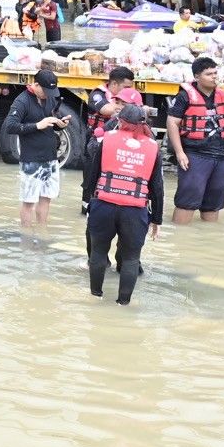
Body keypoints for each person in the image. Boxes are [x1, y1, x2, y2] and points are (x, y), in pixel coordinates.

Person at [82, 103, 165, 305]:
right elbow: (157, 187)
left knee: (98, 253)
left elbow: (93, 175)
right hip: (135, 211)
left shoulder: (107, 139)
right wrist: (157, 220)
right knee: (131, 259)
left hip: (104, 205)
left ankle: (95, 297)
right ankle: (123, 304)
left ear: (120, 121)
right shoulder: (153, 148)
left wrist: (88, 203)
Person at [167, 56, 224, 224]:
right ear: (197, 77)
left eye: (215, 73)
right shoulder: (184, 96)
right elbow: (172, 123)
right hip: (196, 154)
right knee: (187, 201)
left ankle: (208, 234)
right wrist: (179, 152)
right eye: (209, 74)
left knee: (213, 205)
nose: (214, 77)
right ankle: (180, 234)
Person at [1, 69, 68, 230]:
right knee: (29, 201)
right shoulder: (22, 101)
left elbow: (51, 120)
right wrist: (37, 125)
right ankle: (26, 234)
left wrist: (61, 124)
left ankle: (42, 231)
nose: (48, 95)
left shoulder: (49, 99)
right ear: (36, 85)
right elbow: (10, 126)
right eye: (45, 91)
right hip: (31, 160)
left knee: (46, 198)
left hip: (50, 158)